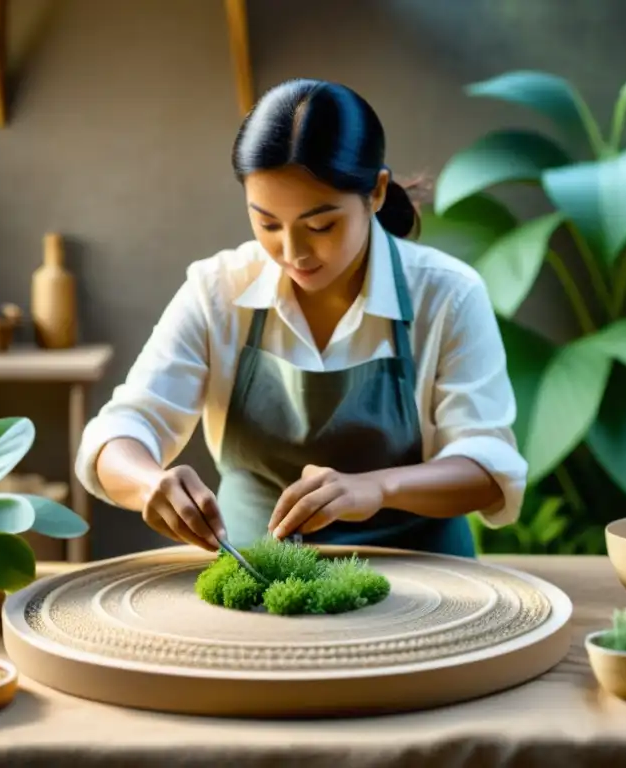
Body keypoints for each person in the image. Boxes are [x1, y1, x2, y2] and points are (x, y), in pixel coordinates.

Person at [74, 78, 527, 558]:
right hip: (256, 574)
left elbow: (491, 469)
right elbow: (119, 430)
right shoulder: (217, 290)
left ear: (374, 193)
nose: (293, 252)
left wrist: (377, 489)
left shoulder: (447, 294)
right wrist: (150, 484)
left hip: (426, 576)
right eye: (267, 223)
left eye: (320, 225)